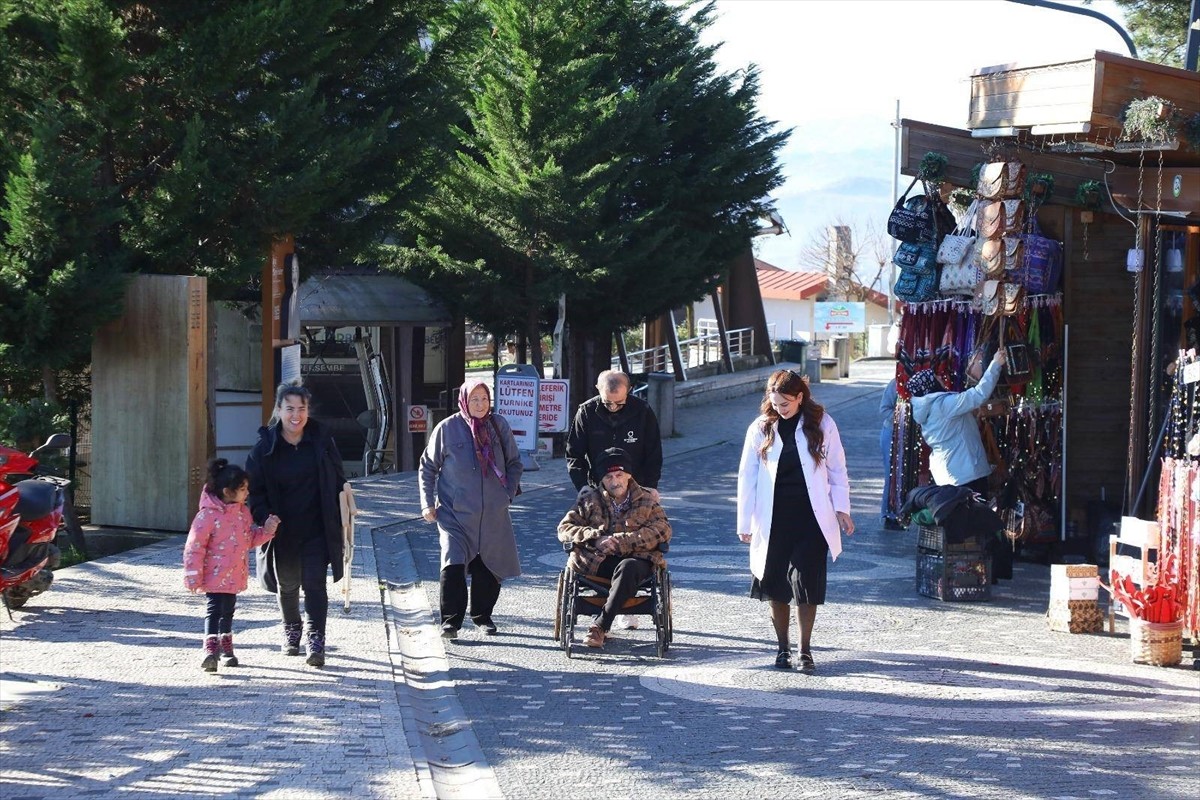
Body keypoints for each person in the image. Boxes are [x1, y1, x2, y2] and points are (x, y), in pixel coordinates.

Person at [737, 369, 854, 673]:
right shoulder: (761, 428)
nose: (780, 409)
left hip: (811, 517)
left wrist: (842, 508)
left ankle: (805, 650)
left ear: (800, 397)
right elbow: (746, 476)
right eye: (775, 403)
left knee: (806, 582)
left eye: (786, 403)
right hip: (773, 516)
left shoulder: (822, 424)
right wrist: (744, 522)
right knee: (775, 583)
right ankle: (781, 648)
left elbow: (838, 468)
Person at [246, 383, 347, 668]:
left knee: (315, 584)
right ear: (278, 410)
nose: (296, 415)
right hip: (281, 531)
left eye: (301, 409)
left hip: (317, 526)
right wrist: (264, 516)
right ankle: (292, 629)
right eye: (289, 408)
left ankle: (316, 640)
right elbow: (254, 491)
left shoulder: (322, 442)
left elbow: (339, 480)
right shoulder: (264, 448)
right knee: (288, 585)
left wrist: (346, 507)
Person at [419, 379, 523, 639]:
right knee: (453, 563)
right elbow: (428, 467)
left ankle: (482, 617)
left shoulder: (499, 425)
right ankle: (450, 622)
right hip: (455, 512)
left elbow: (514, 463)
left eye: (484, 399)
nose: (480, 404)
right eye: (474, 399)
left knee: (488, 566)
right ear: (464, 400)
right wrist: (427, 503)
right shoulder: (447, 428)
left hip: (493, 513)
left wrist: (506, 495)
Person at [565, 369, 664, 630]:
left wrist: (650, 487)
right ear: (598, 390)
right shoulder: (586, 412)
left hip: (635, 483)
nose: (613, 407)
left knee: (634, 544)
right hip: (599, 486)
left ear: (629, 390)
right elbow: (574, 454)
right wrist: (583, 488)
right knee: (602, 535)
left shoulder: (641, 411)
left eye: (619, 402)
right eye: (607, 402)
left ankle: (619, 606)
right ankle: (609, 604)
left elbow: (653, 452)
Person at [557, 447, 671, 649]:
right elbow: (565, 528)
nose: (615, 481)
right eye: (609, 477)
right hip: (598, 561)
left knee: (628, 568)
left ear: (628, 475)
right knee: (616, 568)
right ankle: (604, 621)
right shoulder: (589, 499)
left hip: (636, 560)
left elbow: (662, 530)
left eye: (619, 475)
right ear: (602, 479)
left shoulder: (645, 499)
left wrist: (623, 541)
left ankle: (600, 625)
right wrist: (595, 538)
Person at [183, 459, 280, 672]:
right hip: (213, 576)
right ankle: (210, 649)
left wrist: (267, 530)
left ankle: (226, 648)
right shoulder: (207, 516)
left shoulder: (242, 513)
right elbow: (194, 547)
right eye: (243, 489)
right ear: (227, 491)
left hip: (235, 573)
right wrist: (192, 575)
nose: (247, 493)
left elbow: (248, 539)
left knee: (228, 610)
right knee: (214, 610)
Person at [907, 350, 1006, 496]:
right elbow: (979, 395)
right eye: (935, 377)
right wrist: (995, 364)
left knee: (958, 517)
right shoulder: (943, 405)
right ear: (931, 384)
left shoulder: (927, 409)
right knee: (974, 515)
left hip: (948, 474)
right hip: (966, 474)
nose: (940, 377)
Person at [878, 378, 905, 530]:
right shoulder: (896, 383)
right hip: (892, 433)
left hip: (912, 435)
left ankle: (902, 512)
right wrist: (904, 416)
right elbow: (884, 410)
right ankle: (889, 514)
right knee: (892, 474)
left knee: (905, 474)